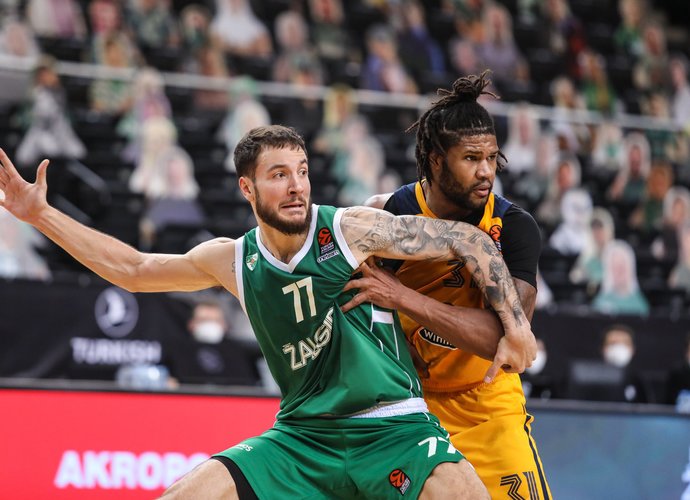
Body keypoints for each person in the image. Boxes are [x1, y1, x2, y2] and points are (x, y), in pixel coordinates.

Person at [0, 125, 537, 499]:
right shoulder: (233, 260)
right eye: (278, 174)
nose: (296, 185)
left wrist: (515, 326)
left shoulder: (348, 230)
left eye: (301, 171)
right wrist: (39, 215)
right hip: (303, 437)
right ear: (247, 187)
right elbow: (134, 269)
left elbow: (468, 239)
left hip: (392, 425)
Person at [342, 73, 551, 499]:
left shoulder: (513, 227)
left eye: (491, 158)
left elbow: (503, 340)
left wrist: (402, 297)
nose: (486, 172)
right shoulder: (390, 216)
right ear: (436, 160)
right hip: (410, 405)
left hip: (488, 404)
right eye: (471, 158)